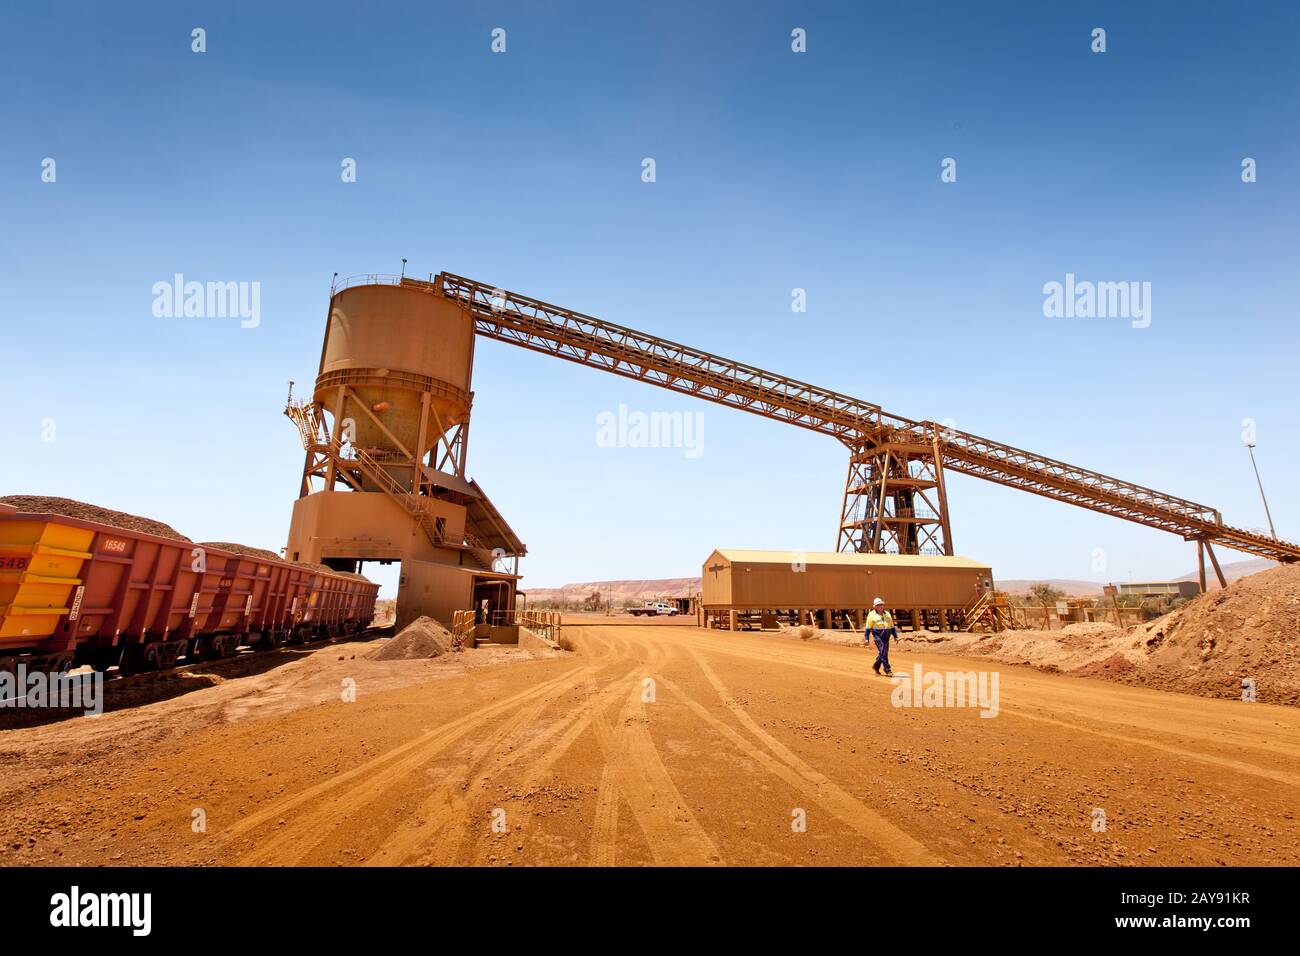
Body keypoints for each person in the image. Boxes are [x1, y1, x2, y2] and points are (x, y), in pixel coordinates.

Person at [865, 597, 897, 677]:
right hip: (878, 636)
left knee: (883, 653)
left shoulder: (887, 614)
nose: (880, 606)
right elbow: (868, 628)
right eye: (878, 605)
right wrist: (866, 638)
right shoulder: (871, 615)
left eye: (882, 605)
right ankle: (888, 670)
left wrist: (895, 636)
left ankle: (876, 666)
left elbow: (892, 626)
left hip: (887, 635)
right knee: (883, 652)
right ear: (875, 606)